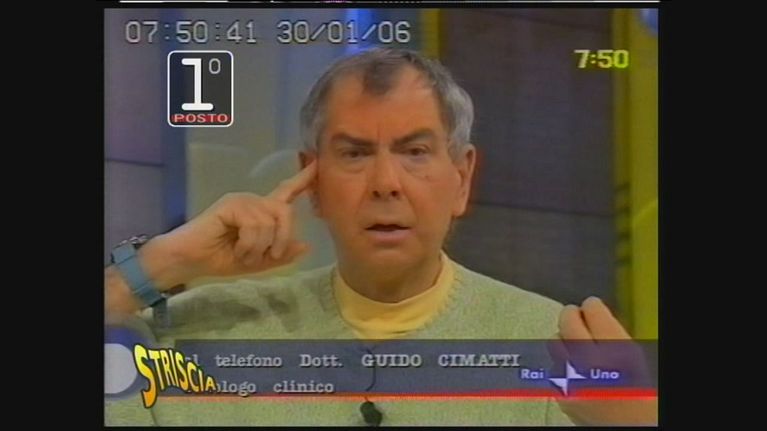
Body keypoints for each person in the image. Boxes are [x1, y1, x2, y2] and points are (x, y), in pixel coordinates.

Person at [105, 47, 656, 426]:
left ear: (461, 178)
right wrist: (158, 263)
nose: (385, 183)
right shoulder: (200, 337)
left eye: (415, 152)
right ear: (312, 180)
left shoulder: (555, 350)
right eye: (355, 154)